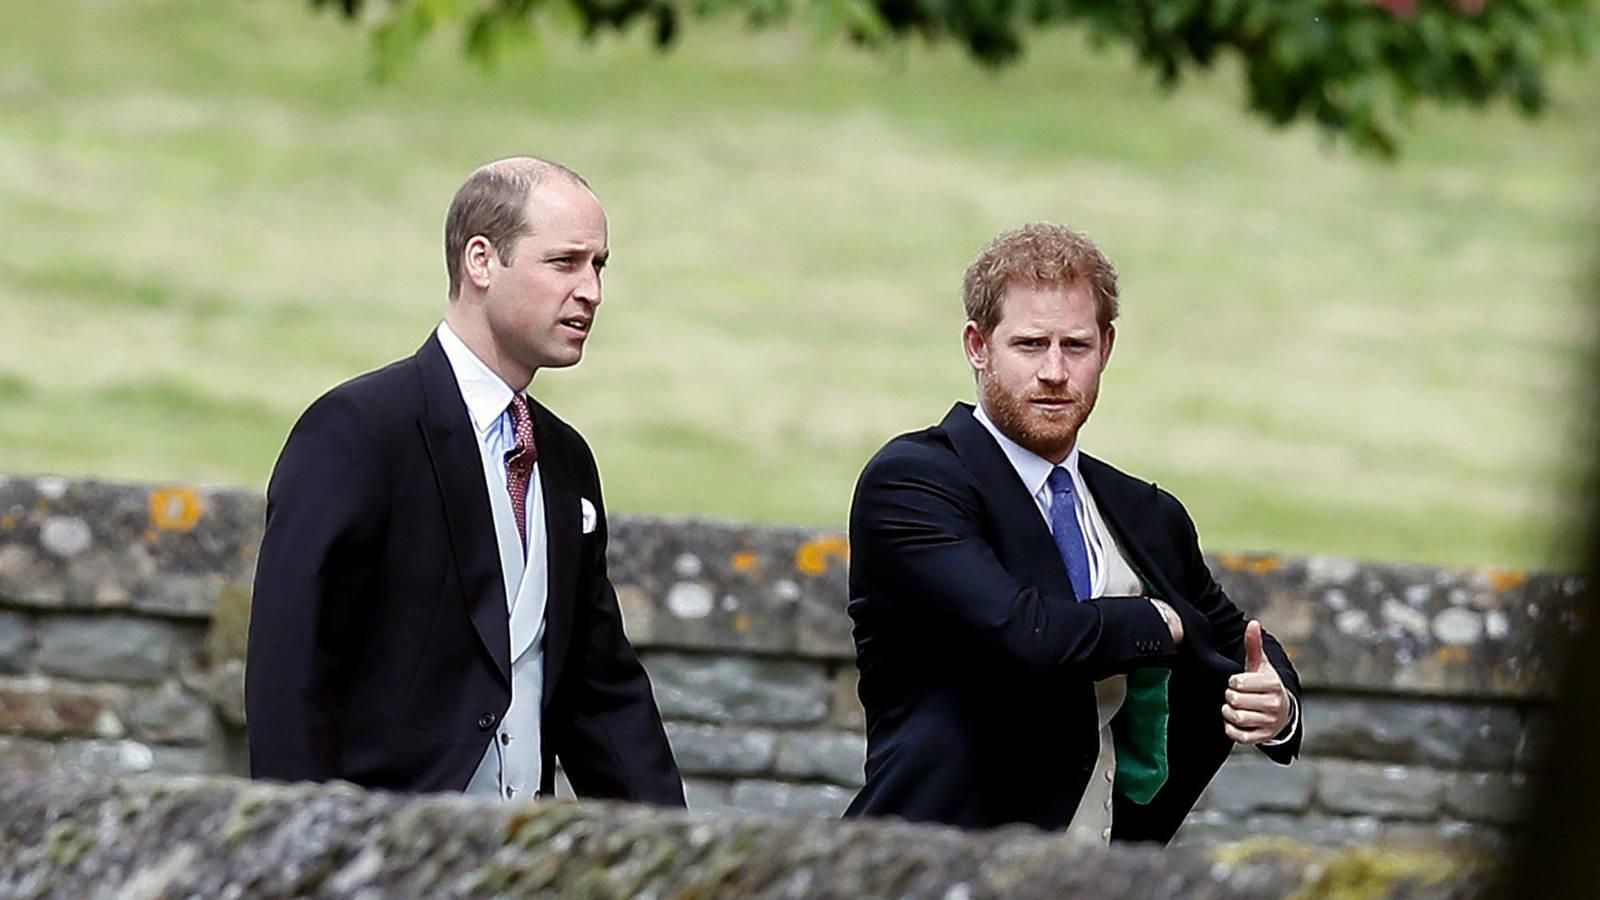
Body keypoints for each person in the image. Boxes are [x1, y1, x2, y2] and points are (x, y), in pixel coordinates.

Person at [245, 157, 684, 806]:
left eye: (599, 266)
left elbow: (600, 690)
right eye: (565, 263)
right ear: (481, 261)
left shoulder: (564, 461)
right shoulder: (359, 431)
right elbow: (291, 667)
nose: (591, 290)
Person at [843, 223, 1301, 843]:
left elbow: (1235, 639)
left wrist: (1275, 704)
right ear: (978, 346)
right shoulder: (915, 483)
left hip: (1102, 868)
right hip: (932, 863)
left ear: (1106, 348)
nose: (1055, 371)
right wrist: (1156, 622)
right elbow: (1022, 633)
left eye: (1075, 346)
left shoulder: (1145, 512)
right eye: (1030, 345)